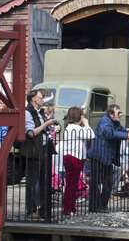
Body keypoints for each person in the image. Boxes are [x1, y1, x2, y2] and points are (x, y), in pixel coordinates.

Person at [87, 104, 129, 212]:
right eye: (118, 113)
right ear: (111, 114)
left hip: (107, 158)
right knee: (95, 183)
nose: (120, 115)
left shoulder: (115, 122)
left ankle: (102, 205)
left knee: (108, 183)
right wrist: (126, 136)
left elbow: (121, 130)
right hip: (98, 157)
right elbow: (109, 133)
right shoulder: (104, 121)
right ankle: (94, 207)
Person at [23, 89, 57, 217]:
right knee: (33, 181)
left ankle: (43, 209)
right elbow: (31, 132)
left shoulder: (39, 112)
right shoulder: (28, 113)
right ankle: (31, 208)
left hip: (43, 149)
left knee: (44, 179)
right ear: (34, 99)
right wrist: (46, 124)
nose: (43, 99)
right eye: (41, 97)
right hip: (33, 151)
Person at [58, 106, 93, 215]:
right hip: (74, 158)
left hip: (70, 157)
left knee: (71, 184)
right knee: (71, 184)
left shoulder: (70, 127)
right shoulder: (75, 128)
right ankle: (68, 208)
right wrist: (86, 123)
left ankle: (70, 207)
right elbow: (91, 135)